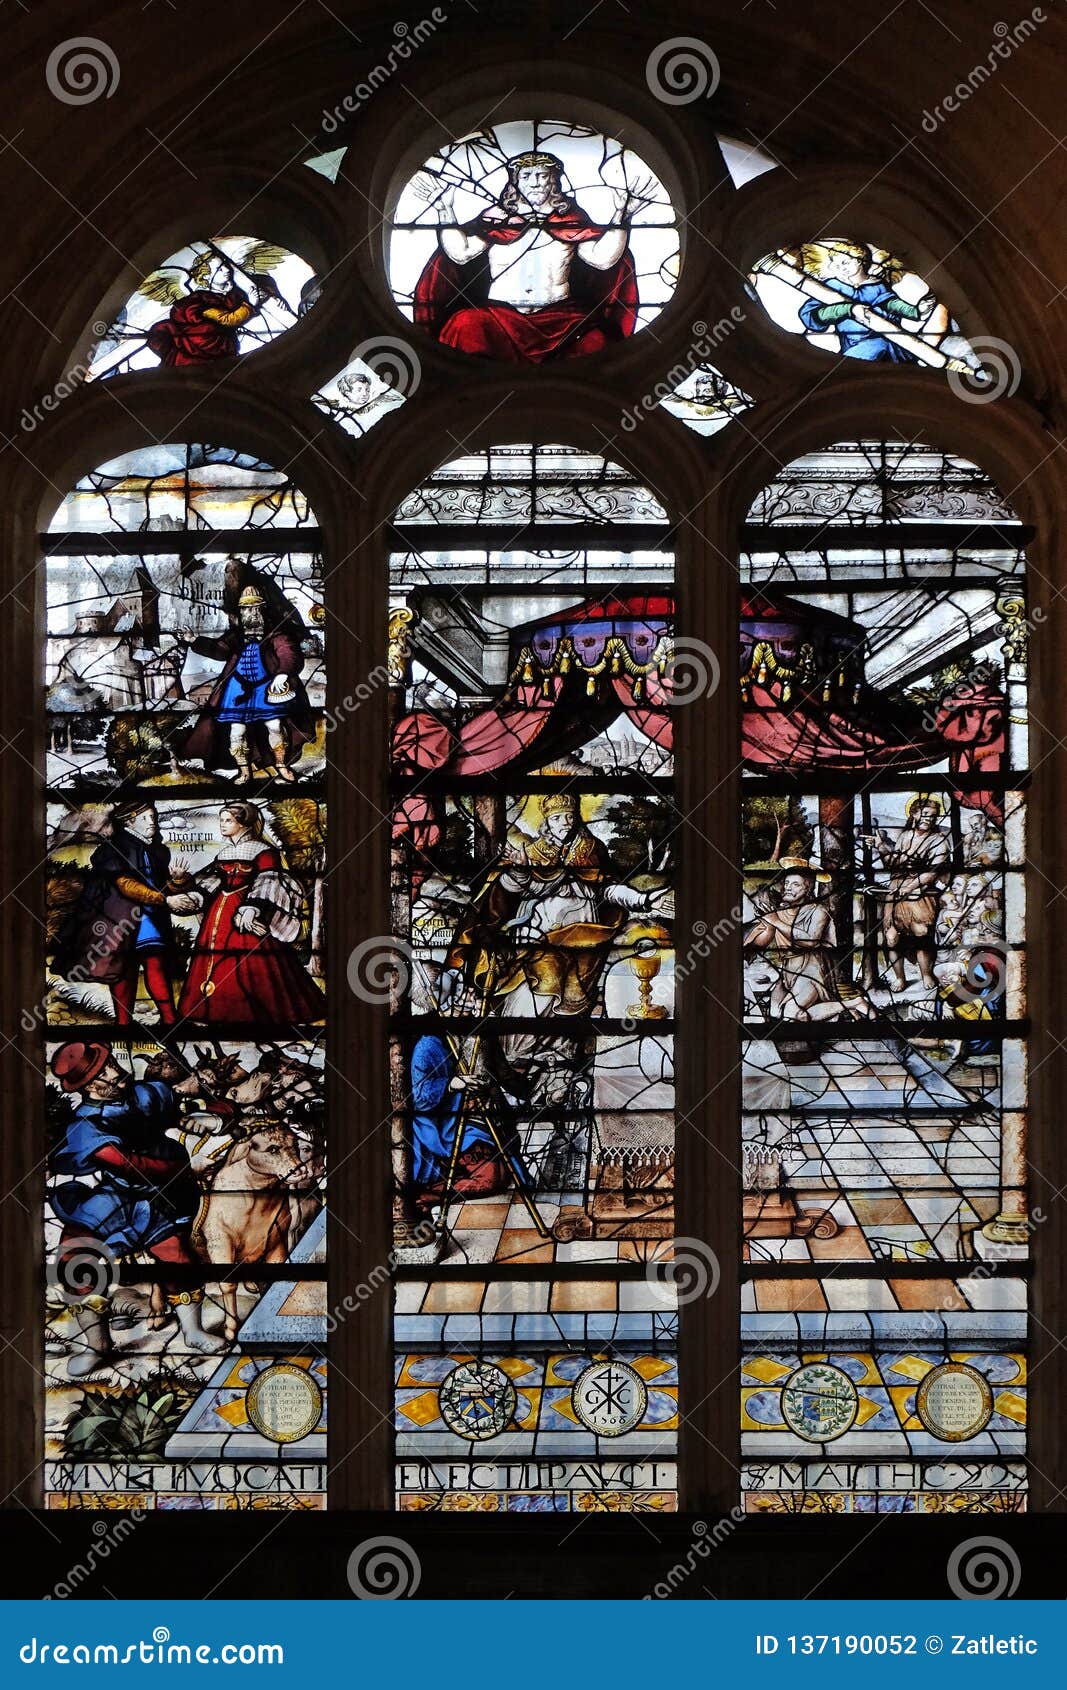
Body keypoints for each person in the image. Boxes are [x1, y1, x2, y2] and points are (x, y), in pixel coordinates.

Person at [48, 1041, 225, 1373]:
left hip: (155, 1198)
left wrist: (209, 1116)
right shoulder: (84, 1127)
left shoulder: (145, 1094)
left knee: (178, 1258)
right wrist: (190, 1168)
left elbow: (191, 1099)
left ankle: (193, 1333)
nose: (116, 1073)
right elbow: (132, 1166)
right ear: (88, 1086)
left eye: (113, 1064)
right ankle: (94, 1347)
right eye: (104, 1073)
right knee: (76, 1261)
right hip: (110, 1199)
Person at [411, 151, 645, 363]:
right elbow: (461, 253)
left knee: (597, 341)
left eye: (542, 176)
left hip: (562, 320)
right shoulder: (498, 218)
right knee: (464, 326)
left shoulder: (570, 219)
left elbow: (602, 259)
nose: (535, 183)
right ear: (516, 180)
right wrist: (445, 211)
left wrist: (622, 216)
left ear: (553, 180)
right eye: (526, 176)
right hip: (499, 316)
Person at [52, 798, 198, 1025]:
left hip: (152, 918)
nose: (153, 822)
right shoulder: (114, 849)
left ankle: (170, 1020)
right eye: (147, 817)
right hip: (120, 919)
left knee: (155, 964)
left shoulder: (156, 850)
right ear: (130, 821)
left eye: (155, 817)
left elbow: (161, 886)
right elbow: (125, 884)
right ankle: (123, 1025)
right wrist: (166, 900)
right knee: (123, 970)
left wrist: (178, 882)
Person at [177, 802, 324, 1024]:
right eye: (221, 820)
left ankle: (254, 1015)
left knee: (254, 962)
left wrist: (252, 907)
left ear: (243, 823)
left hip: (248, 912)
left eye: (227, 820)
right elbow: (214, 882)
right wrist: (194, 896)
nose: (222, 825)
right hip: (220, 910)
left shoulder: (263, 852)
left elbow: (269, 882)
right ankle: (210, 1009)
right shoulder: (225, 853)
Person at [181, 580, 314, 784]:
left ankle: (281, 764)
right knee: (237, 730)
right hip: (237, 688)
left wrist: (282, 674)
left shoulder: (275, 633)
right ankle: (244, 771)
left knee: (275, 726)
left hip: (266, 687)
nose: (250, 613)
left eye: (254, 608)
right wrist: (193, 641)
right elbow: (219, 650)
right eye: (246, 609)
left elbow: (288, 653)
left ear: (262, 610)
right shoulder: (236, 636)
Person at [861, 797, 951, 992]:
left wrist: (909, 887)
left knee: (921, 932)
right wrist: (880, 845)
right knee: (892, 936)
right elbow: (893, 862)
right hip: (895, 891)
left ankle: (926, 974)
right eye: (925, 814)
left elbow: (932, 872)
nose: (929, 819)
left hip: (920, 893)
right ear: (914, 813)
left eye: (933, 816)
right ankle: (900, 978)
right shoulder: (904, 836)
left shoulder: (939, 840)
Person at [744, 859, 843, 1020]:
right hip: (788, 972)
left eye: (795, 884)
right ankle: (844, 1008)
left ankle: (853, 1004)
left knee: (790, 1014)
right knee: (775, 1014)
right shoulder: (779, 912)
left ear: (807, 888)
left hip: (812, 971)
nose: (788, 888)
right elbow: (763, 938)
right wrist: (747, 948)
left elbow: (810, 941)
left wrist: (775, 921)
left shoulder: (818, 911)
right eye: (787, 883)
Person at [146, 265, 270, 367]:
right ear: (206, 276)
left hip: (218, 346)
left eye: (226, 266)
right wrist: (251, 305)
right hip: (203, 344)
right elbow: (228, 320)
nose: (227, 270)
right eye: (219, 268)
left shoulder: (230, 293)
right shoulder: (201, 300)